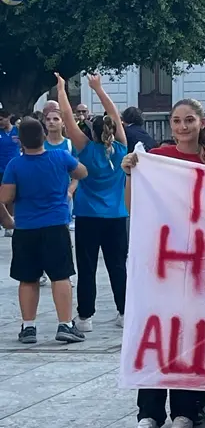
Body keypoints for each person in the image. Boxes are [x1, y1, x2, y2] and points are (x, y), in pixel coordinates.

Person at [122, 98, 205, 428]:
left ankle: (186, 409)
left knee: (188, 336)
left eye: (189, 120)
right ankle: (149, 412)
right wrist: (131, 174)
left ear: (201, 124)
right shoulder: (157, 160)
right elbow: (133, 206)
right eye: (177, 121)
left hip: (197, 265)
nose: (183, 127)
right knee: (154, 334)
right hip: (160, 262)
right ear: (170, 125)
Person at [1, 117, 88, 346]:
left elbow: (5, 198)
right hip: (55, 225)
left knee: (27, 278)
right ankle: (65, 324)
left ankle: (28, 327)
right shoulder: (60, 157)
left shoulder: (15, 165)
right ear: (43, 136)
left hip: (26, 227)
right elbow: (82, 172)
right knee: (61, 276)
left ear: (21, 141)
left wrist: (9, 220)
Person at [55, 74, 128, 333]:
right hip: (118, 216)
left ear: (91, 132)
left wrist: (62, 89)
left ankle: (85, 317)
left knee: (86, 269)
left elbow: (66, 115)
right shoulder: (121, 147)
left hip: (88, 216)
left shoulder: (84, 148)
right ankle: (124, 311)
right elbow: (114, 112)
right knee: (118, 266)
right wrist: (98, 88)